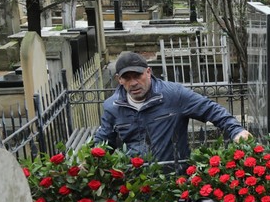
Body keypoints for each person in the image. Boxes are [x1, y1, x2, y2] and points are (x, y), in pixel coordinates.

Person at [95, 52, 251, 165]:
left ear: (148, 72)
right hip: (135, 183)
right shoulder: (112, 107)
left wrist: (236, 130)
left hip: (174, 179)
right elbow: (103, 142)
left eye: (137, 75)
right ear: (119, 80)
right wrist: (89, 160)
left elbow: (210, 109)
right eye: (127, 78)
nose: (133, 82)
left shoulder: (174, 95)